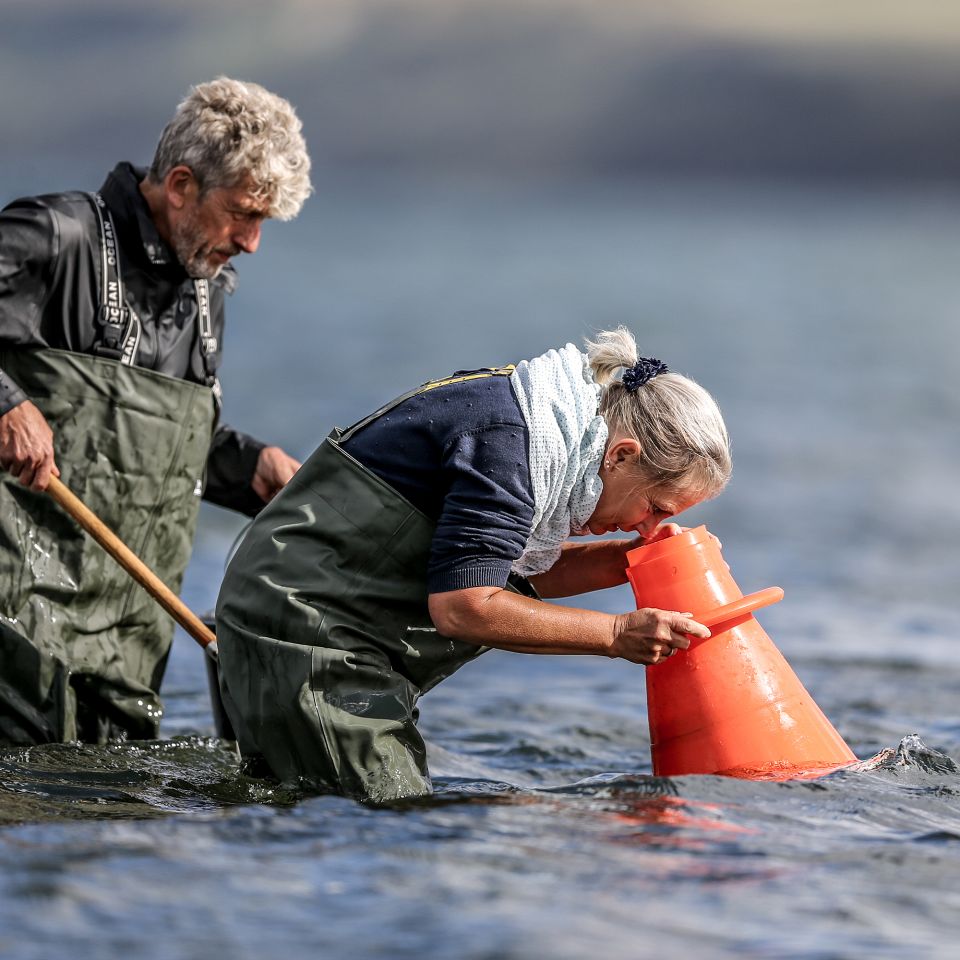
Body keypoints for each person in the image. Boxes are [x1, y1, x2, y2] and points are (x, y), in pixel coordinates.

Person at [215, 327, 732, 802]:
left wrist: (629, 562)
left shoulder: (545, 424)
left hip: (321, 620)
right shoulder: (511, 447)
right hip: (305, 630)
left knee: (315, 804)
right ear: (620, 455)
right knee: (388, 812)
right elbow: (464, 606)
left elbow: (496, 571)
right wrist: (617, 633)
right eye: (656, 509)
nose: (648, 527)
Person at [0, 78, 313, 745]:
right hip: (13, 637)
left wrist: (249, 467)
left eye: (265, 222)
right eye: (244, 215)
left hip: (124, 656)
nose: (253, 242)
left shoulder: (206, 295)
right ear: (179, 185)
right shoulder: (54, 235)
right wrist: (6, 403)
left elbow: (141, 447)